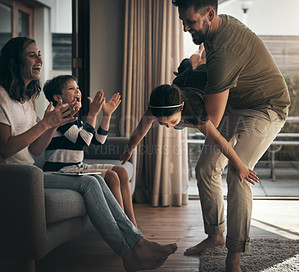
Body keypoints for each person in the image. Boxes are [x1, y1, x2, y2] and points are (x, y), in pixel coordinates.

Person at [0, 37, 176, 271]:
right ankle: (130, 251)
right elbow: (6, 149)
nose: (40, 59)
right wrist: (48, 124)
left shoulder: (27, 99)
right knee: (91, 183)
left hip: (31, 171)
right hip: (17, 178)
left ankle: (137, 244)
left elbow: (35, 150)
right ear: (14, 60)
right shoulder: (2, 97)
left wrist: (52, 123)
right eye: (32, 55)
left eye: (39, 53)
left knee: (95, 179)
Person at [172, 0, 291, 271]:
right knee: (205, 168)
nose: (185, 28)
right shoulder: (216, 28)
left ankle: (234, 255)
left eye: (190, 22)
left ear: (209, 14)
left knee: (239, 174)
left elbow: (210, 121)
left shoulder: (225, 49)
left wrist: (177, 119)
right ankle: (215, 235)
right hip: (235, 103)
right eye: (183, 21)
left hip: (266, 107)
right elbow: (208, 75)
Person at [120, 66, 258, 186]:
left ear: (182, 107)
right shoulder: (155, 108)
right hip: (183, 81)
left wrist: (240, 166)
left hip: (199, 81)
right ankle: (197, 57)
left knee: (197, 65)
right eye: (162, 123)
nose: (168, 127)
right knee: (186, 66)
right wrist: (129, 149)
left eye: (172, 122)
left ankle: (201, 54)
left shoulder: (196, 113)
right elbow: (140, 131)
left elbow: (218, 139)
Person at [42, 75, 137, 227]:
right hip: (60, 170)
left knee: (122, 172)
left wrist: (106, 115)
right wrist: (92, 114)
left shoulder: (74, 118)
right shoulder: (58, 117)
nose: (77, 91)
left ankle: (132, 224)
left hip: (76, 167)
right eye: (71, 88)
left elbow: (98, 141)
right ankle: (123, 226)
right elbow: (83, 140)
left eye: (77, 88)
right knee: (112, 177)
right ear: (57, 97)